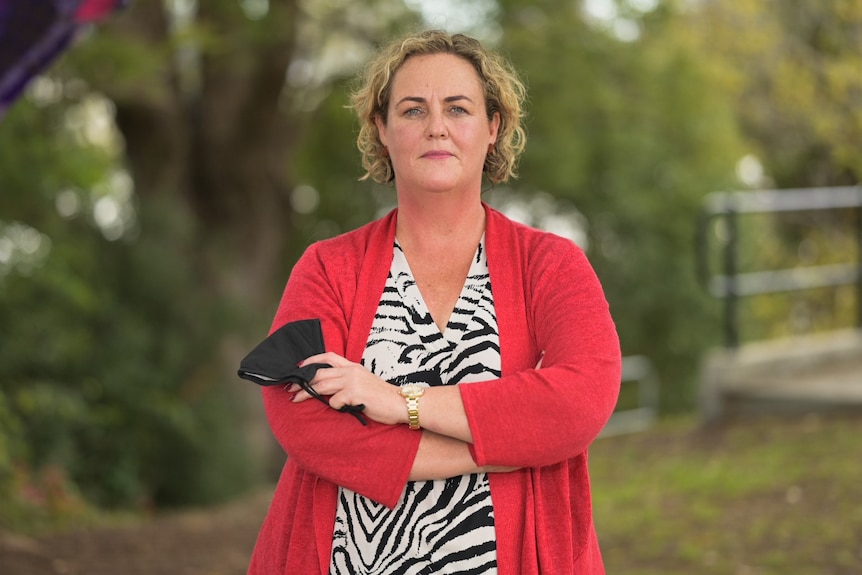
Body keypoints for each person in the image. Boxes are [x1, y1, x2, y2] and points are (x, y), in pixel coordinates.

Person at [247, 29, 621, 575]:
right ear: (382, 128)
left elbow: (581, 397)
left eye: (458, 108)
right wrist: (503, 449)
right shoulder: (328, 267)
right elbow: (301, 421)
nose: (437, 127)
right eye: (413, 109)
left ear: (493, 127)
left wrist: (401, 403)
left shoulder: (552, 264)